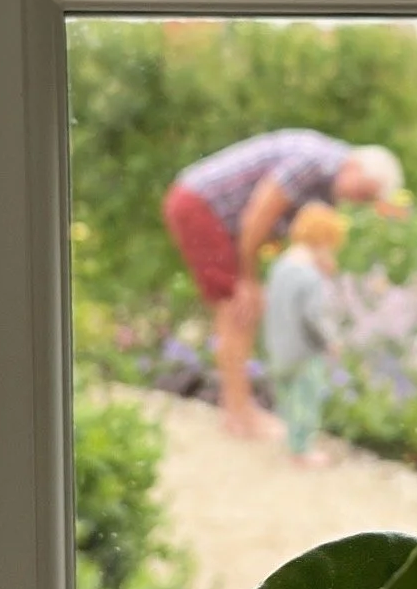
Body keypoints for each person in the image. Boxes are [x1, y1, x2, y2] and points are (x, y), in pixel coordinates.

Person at [161, 129, 403, 439]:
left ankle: (237, 411)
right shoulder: (314, 162)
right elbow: (257, 217)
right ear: (356, 167)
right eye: (365, 193)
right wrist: (248, 279)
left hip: (218, 217)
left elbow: (299, 234)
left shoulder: (327, 183)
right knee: (238, 308)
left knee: (241, 309)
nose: (360, 201)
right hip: (201, 206)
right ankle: (239, 414)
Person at [263, 202, 347, 467]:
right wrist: (331, 340)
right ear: (323, 240)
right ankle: (302, 450)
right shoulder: (309, 276)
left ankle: (291, 441)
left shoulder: (281, 266)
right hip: (304, 350)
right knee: (306, 399)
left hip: (278, 345)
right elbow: (314, 316)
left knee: (287, 397)